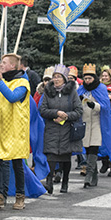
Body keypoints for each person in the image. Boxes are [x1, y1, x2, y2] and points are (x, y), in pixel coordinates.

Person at [0, 53, 31, 210]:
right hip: (0, 128)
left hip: (16, 130)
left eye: (4, 63)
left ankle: (20, 196)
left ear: (13, 66)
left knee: (17, 164)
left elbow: (12, 97)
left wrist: (0, 81)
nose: (1, 65)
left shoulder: (23, 83)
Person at [39, 64, 83, 194]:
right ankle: (49, 182)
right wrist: (56, 113)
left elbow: (79, 110)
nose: (56, 79)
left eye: (59, 77)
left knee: (65, 158)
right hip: (52, 129)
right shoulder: (48, 92)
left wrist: (66, 116)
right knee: (51, 157)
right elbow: (42, 110)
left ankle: (65, 181)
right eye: (54, 77)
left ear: (64, 79)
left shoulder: (72, 92)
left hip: (67, 129)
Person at [78, 64, 111, 187]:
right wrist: (80, 102)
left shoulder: (101, 88)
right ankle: (94, 176)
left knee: (93, 149)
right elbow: (75, 106)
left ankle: (88, 176)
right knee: (87, 149)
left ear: (94, 78)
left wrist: (95, 106)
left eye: (89, 79)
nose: (87, 81)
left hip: (97, 124)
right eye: (85, 79)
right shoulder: (81, 89)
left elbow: (106, 107)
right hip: (85, 124)